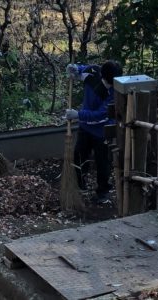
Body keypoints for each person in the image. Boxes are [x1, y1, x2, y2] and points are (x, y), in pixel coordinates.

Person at [65, 60, 123, 202]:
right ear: (102, 75)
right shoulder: (92, 73)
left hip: (102, 131)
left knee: (102, 162)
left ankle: (102, 193)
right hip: (85, 128)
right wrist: (74, 69)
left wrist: (78, 115)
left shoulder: (116, 92)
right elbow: (81, 70)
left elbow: (100, 115)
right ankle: (80, 187)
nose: (110, 85)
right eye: (109, 82)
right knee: (79, 156)